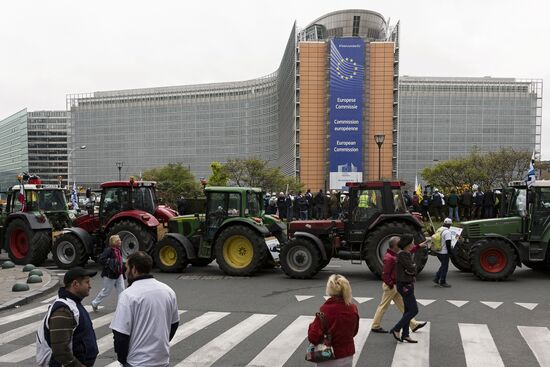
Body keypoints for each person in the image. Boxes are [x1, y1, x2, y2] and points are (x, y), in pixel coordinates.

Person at [110, 251, 180, 367]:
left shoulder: (128, 295)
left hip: (137, 362)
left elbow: (120, 334)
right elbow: (174, 324)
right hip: (162, 360)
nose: (126, 271)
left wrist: (122, 359)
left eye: (127, 267)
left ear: (134, 269)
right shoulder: (168, 291)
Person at [43, 267, 99, 367]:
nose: (90, 286)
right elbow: (60, 351)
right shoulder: (63, 310)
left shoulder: (74, 304)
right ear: (75, 284)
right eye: (87, 282)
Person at [371, 237, 427, 334]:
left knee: (403, 306)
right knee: (384, 306)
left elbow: (407, 251)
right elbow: (385, 274)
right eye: (399, 243)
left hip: (395, 285)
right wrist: (391, 285)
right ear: (395, 246)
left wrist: (418, 246)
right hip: (391, 286)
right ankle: (375, 326)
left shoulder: (395, 255)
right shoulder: (389, 258)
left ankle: (413, 325)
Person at [308, 274, 359, 367]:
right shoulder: (353, 308)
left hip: (329, 355)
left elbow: (313, 337)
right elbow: (354, 332)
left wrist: (311, 326)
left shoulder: (326, 309)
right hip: (347, 355)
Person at [390, 234, 421, 343]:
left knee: (407, 310)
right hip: (405, 285)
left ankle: (405, 335)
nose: (413, 244)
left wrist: (411, 270)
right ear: (407, 244)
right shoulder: (403, 254)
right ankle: (396, 329)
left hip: (407, 284)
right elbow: (412, 268)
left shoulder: (405, 253)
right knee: (414, 310)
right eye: (412, 242)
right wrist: (412, 269)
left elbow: (411, 269)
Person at [91, 235, 125, 311]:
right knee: (106, 291)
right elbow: (101, 259)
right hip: (110, 274)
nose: (120, 241)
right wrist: (110, 263)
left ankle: (121, 307)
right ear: (115, 242)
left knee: (122, 290)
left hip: (119, 273)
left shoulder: (119, 250)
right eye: (119, 240)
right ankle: (94, 303)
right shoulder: (109, 250)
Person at [433, 218, 454, 287]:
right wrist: (450, 252)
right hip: (444, 252)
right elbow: (448, 243)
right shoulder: (447, 232)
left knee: (443, 265)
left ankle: (436, 278)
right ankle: (442, 282)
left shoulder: (439, 229)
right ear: (450, 225)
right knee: (445, 267)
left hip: (438, 251)